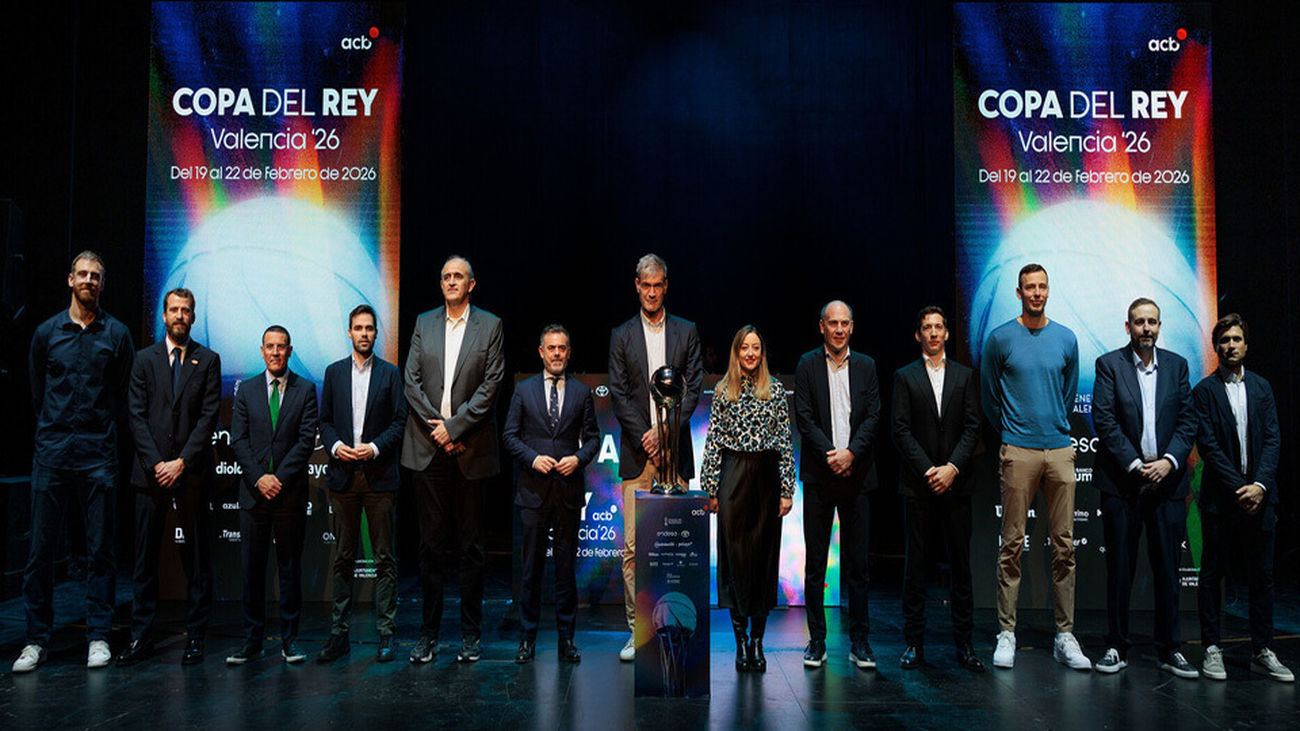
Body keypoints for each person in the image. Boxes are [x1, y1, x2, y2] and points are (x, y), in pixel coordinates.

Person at [13, 251, 134, 674]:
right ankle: (35, 640)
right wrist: (52, 430)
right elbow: (35, 390)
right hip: (52, 451)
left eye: (96, 276)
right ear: (69, 280)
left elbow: (121, 395)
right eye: (82, 274)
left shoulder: (117, 334)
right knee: (41, 551)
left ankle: (98, 635)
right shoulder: (47, 332)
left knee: (101, 550)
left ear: (103, 284)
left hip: (98, 453)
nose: (89, 281)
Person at [979, 263, 1089, 670]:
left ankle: (1065, 635)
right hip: (1018, 449)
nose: (1037, 293)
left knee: (1064, 545)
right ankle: (1006, 632)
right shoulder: (1000, 338)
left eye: (1043, 286)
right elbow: (990, 396)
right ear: (1019, 291)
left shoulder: (1066, 338)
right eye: (1030, 287)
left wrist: (1051, 427)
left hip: (1059, 448)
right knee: (1011, 545)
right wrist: (1012, 430)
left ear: (1049, 289)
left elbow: (1068, 388)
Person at [401, 255, 504, 664]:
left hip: (469, 449)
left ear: (471, 284)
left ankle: (470, 635)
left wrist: (455, 428)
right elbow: (410, 381)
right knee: (429, 549)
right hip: (429, 450)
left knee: (471, 549)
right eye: (445, 276)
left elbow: (491, 384)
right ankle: (428, 635)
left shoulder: (491, 326)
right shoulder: (424, 322)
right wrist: (437, 429)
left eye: (458, 276)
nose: (451, 282)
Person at [1090, 298, 1197, 677]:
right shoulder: (1109, 365)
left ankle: (1170, 649)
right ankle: (1117, 646)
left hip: (1168, 484)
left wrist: (1168, 462)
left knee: (1168, 570)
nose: (1146, 328)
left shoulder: (1177, 366)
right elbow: (1103, 419)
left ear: (1159, 325)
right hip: (1123, 484)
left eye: (1152, 322)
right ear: (1128, 327)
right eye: (1139, 322)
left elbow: (1187, 421)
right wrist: (1137, 465)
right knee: (1120, 570)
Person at [607, 253, 702, 661]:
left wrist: (666, 433)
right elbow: (618, 391)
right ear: (636, 286)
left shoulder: (687, 331)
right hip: (637, 454)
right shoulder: (621, 334)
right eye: (645, 285)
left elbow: (694, 386)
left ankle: (678, 628)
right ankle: (638, 631)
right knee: (633, 549)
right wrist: (647, 436)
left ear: (666, 286)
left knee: (676, 547)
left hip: (674, 453)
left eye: (657, 284)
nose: (651, 291)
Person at [119, 288, 221, 667]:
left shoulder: (208, 360)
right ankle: (140, 636)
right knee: (144, 560)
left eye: (186, 310)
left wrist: (181, 462)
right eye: (174, 310)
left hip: (191, 473)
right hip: (149, 474)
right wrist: (157, 463)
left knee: (197, 559)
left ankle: (196, 636)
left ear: (193, 317)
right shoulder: (144, 359)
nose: (180, 316)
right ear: (163, 316)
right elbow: (136, 415)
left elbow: (209, 415)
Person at [1192, 313, 1292, 682]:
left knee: (1262, 577)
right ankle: (1212, 648)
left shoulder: (1263, 388)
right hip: (1222, 499)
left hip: (1261, 499)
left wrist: (1260, 486)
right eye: (1224, 340)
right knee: (1212, 574)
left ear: (1246, 345)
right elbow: (1209, 446)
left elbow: (1273, 439)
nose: (1230, 345)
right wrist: (1239, 487)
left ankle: (1262, 649)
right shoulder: (1203, 391)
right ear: (1216, 347)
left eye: (1236, 339)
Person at [890, 306, 983, 672]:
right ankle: (914, 644)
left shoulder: (965, 375)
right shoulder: (904, 377)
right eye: (926, 327)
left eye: (938, 327)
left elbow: (973, 427)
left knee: (961, 567)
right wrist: (930, 469)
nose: (932, 333)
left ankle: (965, 645)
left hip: (957, 485)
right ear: (918, 335)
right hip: (919, 485)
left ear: (946, 333)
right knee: (916, 568)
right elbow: (900, 430)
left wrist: (951, 469)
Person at [502, 325, 599, 665]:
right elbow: (510, 436)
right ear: (541, 352)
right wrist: (532, 457)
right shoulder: (523, 391)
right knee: (530, 570)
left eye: (562, 348)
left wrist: (578, 458)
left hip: (569, 492)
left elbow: (593, 439)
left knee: (565, 570)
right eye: (551, 348)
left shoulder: (581, 392)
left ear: (569, 353)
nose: (557, 353)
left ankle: (566, 640)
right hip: (533, 490)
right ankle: (527, 639)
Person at [701, 326, 795, 673]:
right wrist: (710, 488)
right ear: (736, 352)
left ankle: (758, 642)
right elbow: (713, 443)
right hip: (733, 478)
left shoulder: (776, 392)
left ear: (762, 352)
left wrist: (787, 489)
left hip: (766, 481)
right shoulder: (723, 391)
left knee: (762, 563)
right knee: (736, 563)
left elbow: (785, 442)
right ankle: (740, 642)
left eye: (756, 347)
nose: (751, 353)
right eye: (745, 348)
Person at [316, 305, 406, 664]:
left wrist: (375, 447)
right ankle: (339, 636)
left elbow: (400, 421)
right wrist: (337, 448)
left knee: (384, 559)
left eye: (370, 328)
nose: (365, 333)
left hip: (379, 475)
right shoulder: (334, 373)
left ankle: (386, 635)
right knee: (342, 558)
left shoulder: (390, 374)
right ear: (349, 332)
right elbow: (324, 421)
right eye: (358, 328)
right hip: (342, 476)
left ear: (375, 333)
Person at [793, 300, 879, 670]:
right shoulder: (807, 364)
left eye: (845, 323)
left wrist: (851, 455)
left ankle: (860, 643)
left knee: (859, 565)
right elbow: (804, 417)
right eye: (833, 323)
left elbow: (874, 415)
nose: (839, 329)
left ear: (852, 327)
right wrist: (832, 453)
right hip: (820, 474)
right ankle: (817, 641)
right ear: (822, 326)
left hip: (857, 475)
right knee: (815, 565)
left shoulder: (867, 366)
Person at [227, 326, 318, 666]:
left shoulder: (305, 389)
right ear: (261, 351)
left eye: (282, 347)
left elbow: (306, 440)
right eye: (270, 347)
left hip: (289, 494)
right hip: (253, 495)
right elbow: (238, 440)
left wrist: (277, 479)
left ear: (290, 351)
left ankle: (290, 641)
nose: (276, 352)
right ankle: (252, 641)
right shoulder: (247, 390)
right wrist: (259, 478)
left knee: (290, 568)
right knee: (252, 569)